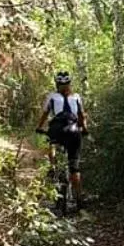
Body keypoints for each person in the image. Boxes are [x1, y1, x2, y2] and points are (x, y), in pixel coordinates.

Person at [37, 69, 88, 210]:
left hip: (58, 129)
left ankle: (53, 167)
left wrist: (39, 127)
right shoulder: (76, 96)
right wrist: (84, 129)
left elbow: (45, 114)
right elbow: (81, 116)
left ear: (56, 84)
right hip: (74, 131)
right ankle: (79, 200)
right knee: (74, 167)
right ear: (70, 84)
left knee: (52, 142)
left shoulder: (51, 96)